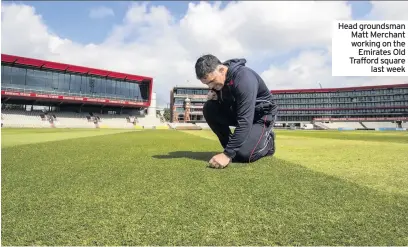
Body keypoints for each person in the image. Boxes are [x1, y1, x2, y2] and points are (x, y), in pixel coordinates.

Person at [195, 54, 278, 169]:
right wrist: (217, 97)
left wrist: (227, 154)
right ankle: (231, 148)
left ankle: (268, 142)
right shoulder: (220, 82)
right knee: (209, 108)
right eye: (207, 84)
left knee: (244, 155)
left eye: (212, 81)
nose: (211, 86)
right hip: (240, 112)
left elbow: (245, 120)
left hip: (261, 116)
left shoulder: (244, 78)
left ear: (222, 69)